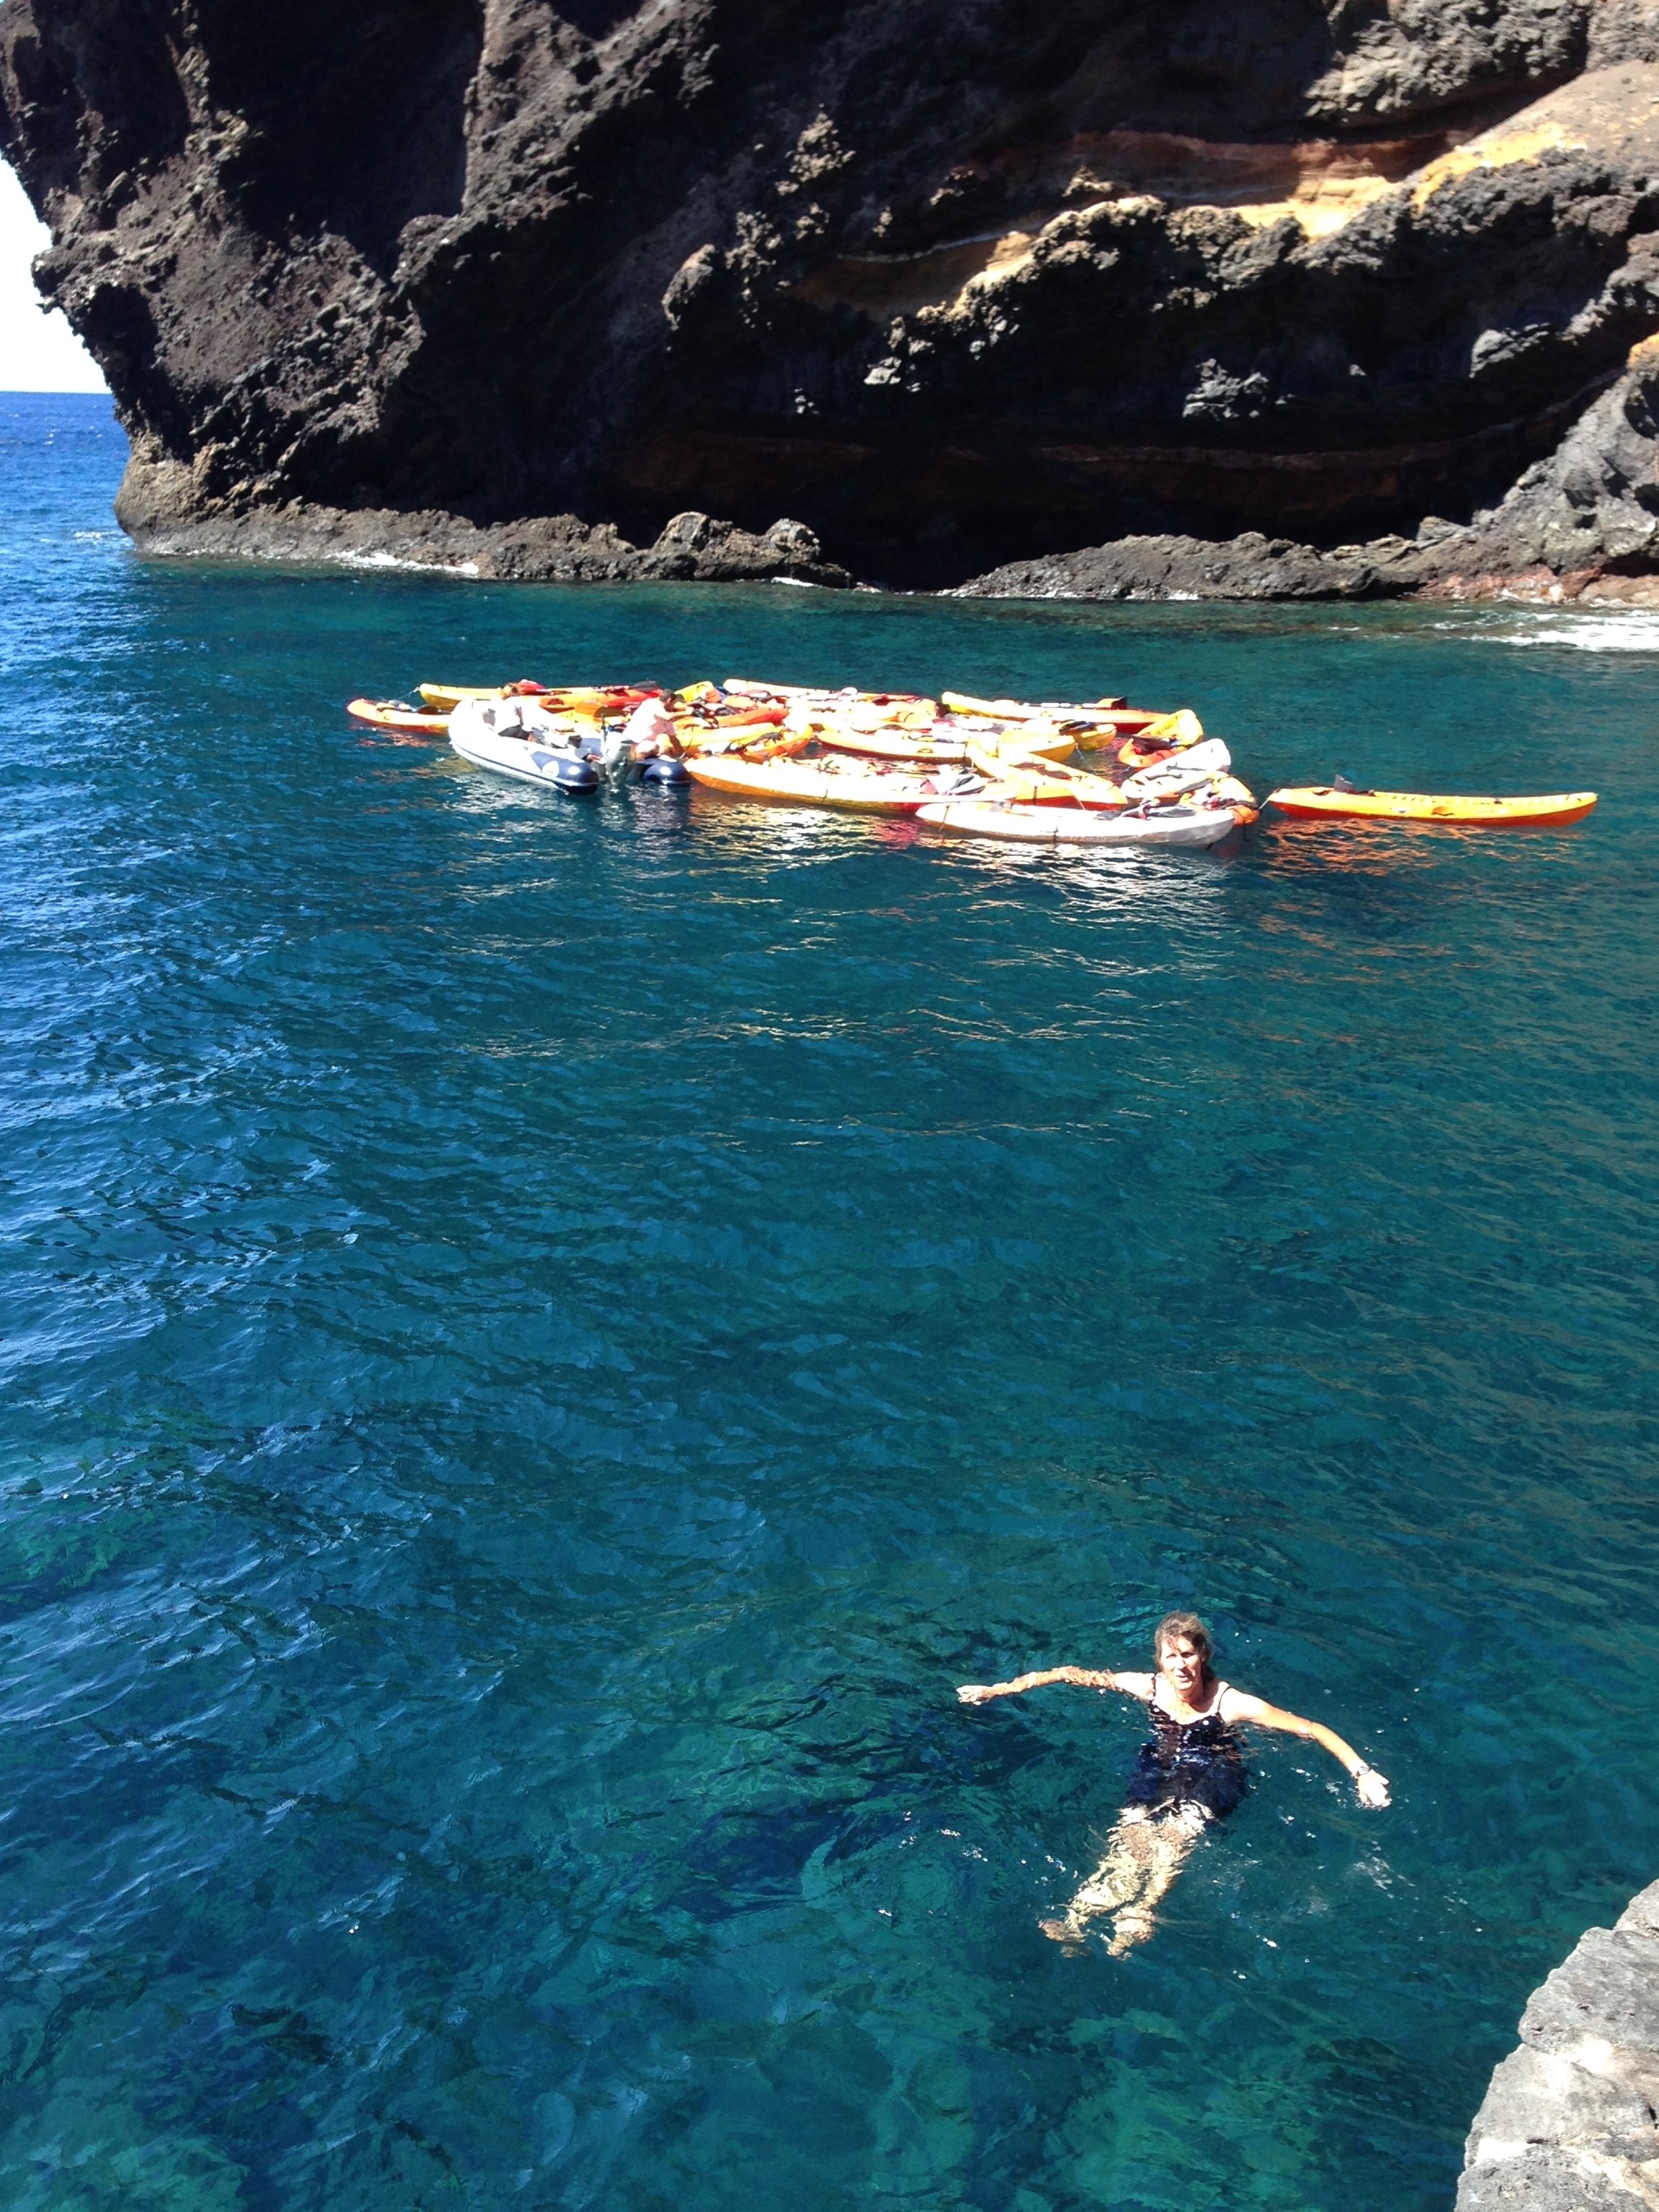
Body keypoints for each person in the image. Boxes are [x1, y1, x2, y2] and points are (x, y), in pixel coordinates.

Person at [956, 1612, 1390, 1956]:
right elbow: (1072, 1673)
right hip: (1161, 1766)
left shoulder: (1231, 1702)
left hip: (1217, 1772)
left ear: (1203, 1656)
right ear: (1159, 1662)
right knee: (1130, 1835)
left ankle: (1144, 1912)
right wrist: (999, 1690)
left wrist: (1362, 1773)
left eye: (1188, 1654)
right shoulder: (1148, 1687)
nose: (1181, 1665)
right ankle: (1079, 1918)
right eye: (1172, 1657)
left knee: (1176, 1834)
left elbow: (1311, 1728)